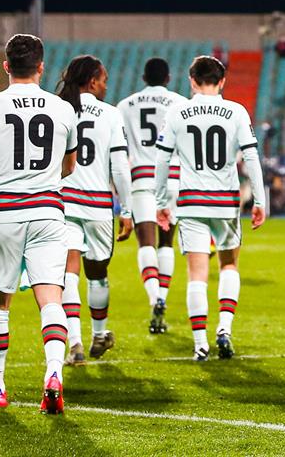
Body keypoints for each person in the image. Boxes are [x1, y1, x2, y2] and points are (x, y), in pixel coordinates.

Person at [0, 34, 78, 413]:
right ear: (41, 66)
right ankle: (54, 372)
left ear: (6, 65)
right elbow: (69, 166)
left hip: (4, 214)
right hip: (48, 212)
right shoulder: (62, 109)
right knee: (52, 300)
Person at [154, 56, 267, 361]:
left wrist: (161, 201)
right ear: (223, 81)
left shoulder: (177, 112)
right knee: (229, 265)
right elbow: (252, 157)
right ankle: (224, 330)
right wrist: (260, 199)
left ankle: (200, 344)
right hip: (225, 202)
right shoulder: (235, 111)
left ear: (192, 81)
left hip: (191, 201)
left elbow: (163, 159)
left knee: (197, 275)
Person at [56, 55, 134, 366]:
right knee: (97, 273)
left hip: (63, 202)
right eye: (102, 79)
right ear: (92, 81)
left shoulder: (58, 108)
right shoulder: (111, 114)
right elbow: (120, 167)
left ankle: (74, 342)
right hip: (98, 206)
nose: (105, 85)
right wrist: (126, 209)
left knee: (68, 272)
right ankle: (98, 334)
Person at [117, 58, 187, 334]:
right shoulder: (181, 103)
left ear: (144, 77)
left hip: (142, 178)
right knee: (167, 241)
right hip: (173, 178)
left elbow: (120, 150)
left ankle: (153, 297)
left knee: (146, 242)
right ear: (168, 78)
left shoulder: (125, 105)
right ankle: (163, 299)